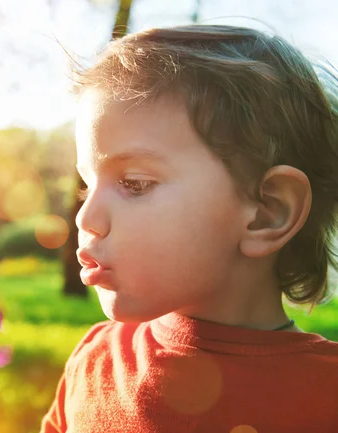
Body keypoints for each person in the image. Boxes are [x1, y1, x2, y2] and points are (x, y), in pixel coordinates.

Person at [40, 24, 338, 433]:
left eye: (134, 184)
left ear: (267, 212)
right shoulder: (93, 361)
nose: (85, 218)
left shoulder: (326, 396)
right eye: (86, 186)